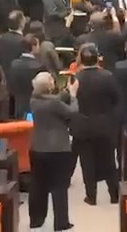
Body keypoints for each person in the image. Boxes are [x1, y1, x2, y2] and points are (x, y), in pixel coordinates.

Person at [28, 72, 78, 231]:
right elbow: (72, 112)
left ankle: (36, 220)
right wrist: (73, 95)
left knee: (38, 184)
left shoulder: (33, 101)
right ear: (50, 85)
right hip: (58, 148)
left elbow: (54, 100)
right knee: (59, 185)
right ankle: (61, 222)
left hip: (37, 147)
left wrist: (63, 93)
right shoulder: (55, 104)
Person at [73, 44, 120, 205]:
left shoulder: (76, 78)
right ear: (98, 58)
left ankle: (91, 196)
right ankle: (114, 194)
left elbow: (71, 101)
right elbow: (116, 99)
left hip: (84, 125)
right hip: (104, 124)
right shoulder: (108, 76)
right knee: (109, 161)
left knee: (87, 162)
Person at [8, 34, 47, 119]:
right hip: (35, 107)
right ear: (33, 47)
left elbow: (11, 86)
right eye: (38, 45)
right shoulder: (39, 66)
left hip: (18, 106)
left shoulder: (14, 64)